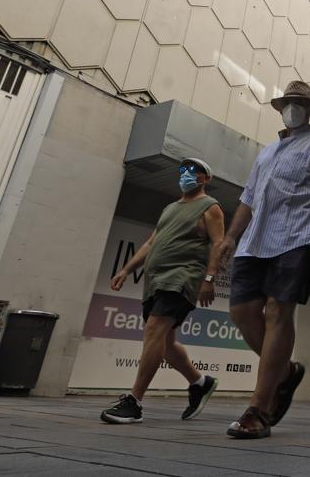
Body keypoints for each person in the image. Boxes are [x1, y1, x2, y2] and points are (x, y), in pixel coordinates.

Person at [219, 81, 310, 439]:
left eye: (299, 104)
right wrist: (230, 237)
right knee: (242, 311)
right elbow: (248, 198)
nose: (293, 108)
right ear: (280, 109)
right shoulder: (267, 152)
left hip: (297, 236)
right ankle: (286, 373)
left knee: (278, 311)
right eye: (288, 103)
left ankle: (258, 410)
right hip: (254, 241)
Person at [101, 158, 225, 424]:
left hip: (182, 277)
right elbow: (151, 243)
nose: (186, 174)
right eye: (183, 170)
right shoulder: (170, 208)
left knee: (154, 328)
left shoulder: (210, 207)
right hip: (155, 279)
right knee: (166, 342)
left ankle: (134, 402)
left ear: (205, 178)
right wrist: (126, 270)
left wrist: (209, 278)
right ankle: (200, 382)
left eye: (192, 171)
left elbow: (218, 244)